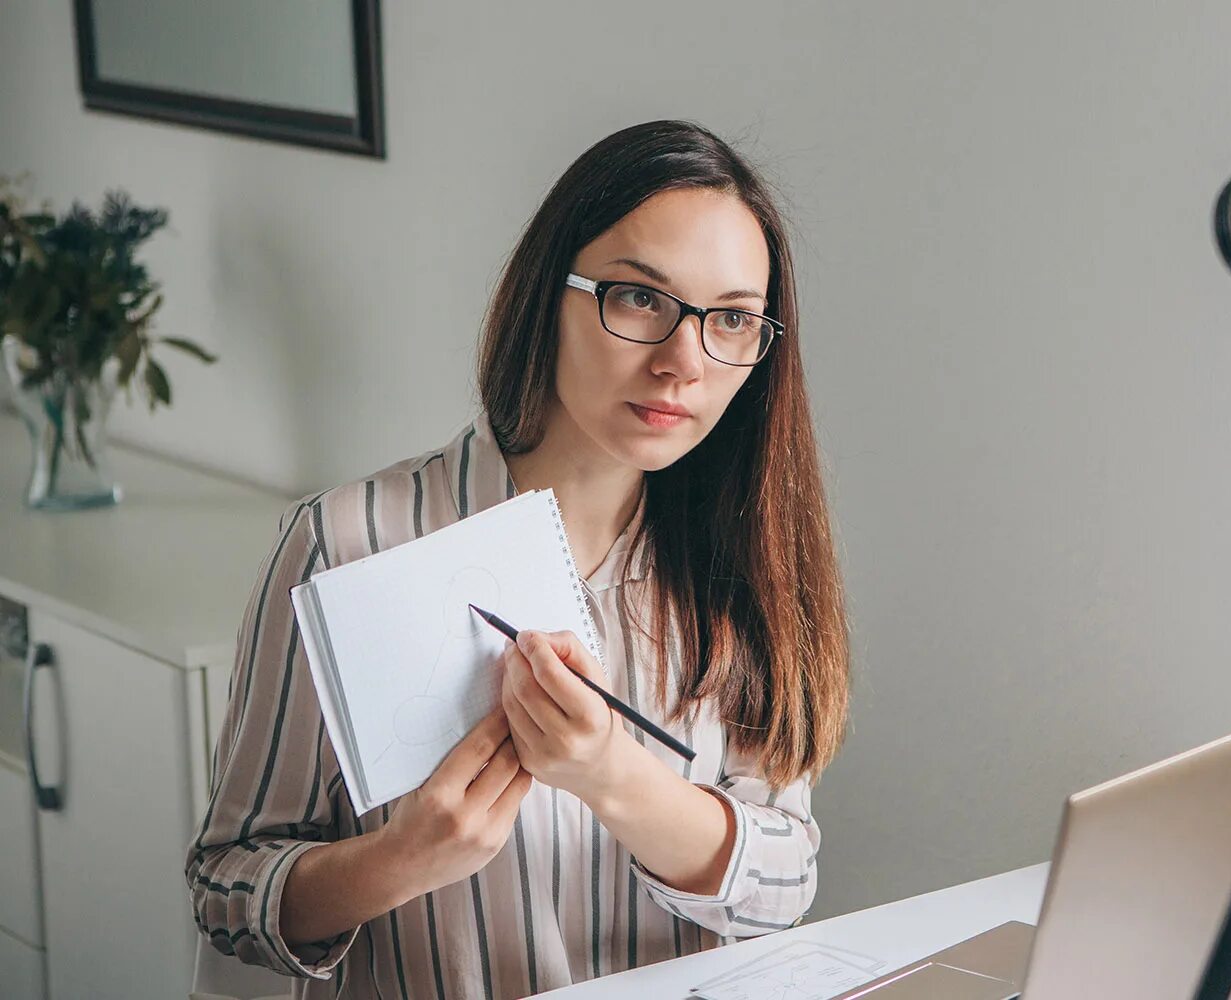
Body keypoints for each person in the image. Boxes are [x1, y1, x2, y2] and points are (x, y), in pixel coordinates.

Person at [186, 120, 851, 999]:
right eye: (641, 299)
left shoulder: (745, 566)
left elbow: (784, 885)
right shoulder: (350, 543)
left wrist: (612, 778)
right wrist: (401, 860)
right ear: (551, 293)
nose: (684, 362)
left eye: (731, 319)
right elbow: (228, 888)